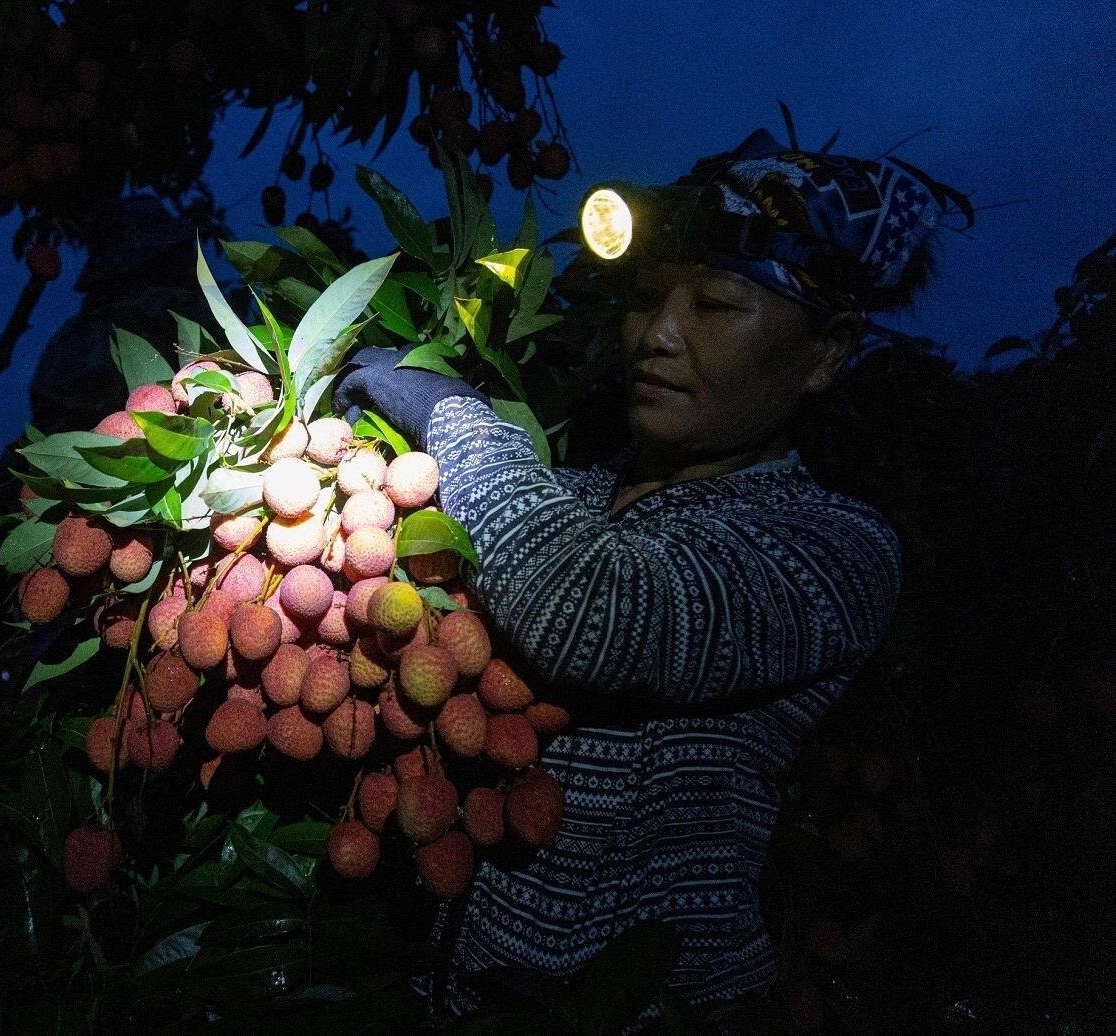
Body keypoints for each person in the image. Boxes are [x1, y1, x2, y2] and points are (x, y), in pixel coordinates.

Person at [333, 129, 958, 1025]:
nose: (655, 336)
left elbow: (589, 611)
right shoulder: (570, 495)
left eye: (713, 305)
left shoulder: (836, 548)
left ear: (827, 354)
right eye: (643, 300)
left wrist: (453, 413)